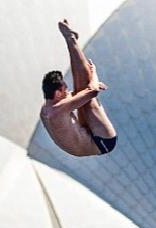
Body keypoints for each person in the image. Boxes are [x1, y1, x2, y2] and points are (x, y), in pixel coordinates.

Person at [40, 20, 117, 156]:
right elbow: (93, 91)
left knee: (80, 94)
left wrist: (86, 89)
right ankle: (70, 39)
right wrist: (94, 73)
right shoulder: (59, 109)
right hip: (102, 142)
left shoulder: (46, 109)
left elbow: (81, 93)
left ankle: (71, 39)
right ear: (57, 93)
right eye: (64, 89)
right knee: (87, 101)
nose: (67, 90)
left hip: (82, 139)